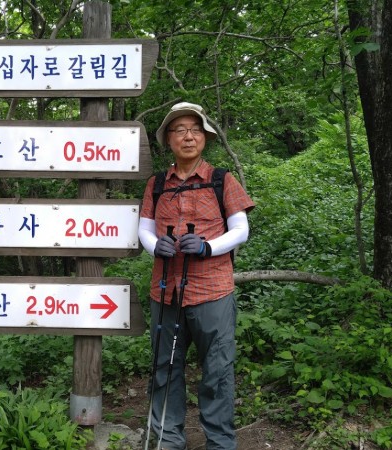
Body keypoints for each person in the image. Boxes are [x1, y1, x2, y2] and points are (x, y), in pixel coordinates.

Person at [138, 102, 255, 450]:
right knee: (165, 366)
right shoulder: (157, 184)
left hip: (212, 290)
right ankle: (167, 438)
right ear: (168, 139)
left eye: (194, 129)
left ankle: (219, 442)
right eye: (179, 130)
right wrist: (155, 246)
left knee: (218, 369)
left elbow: (241, 229)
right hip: (166, 290)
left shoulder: (222, 180)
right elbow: (144, 228)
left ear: (204, 137)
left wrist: (207, 247)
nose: (188, 136)